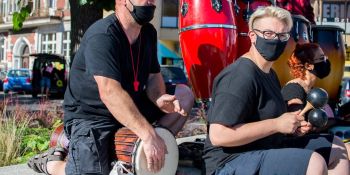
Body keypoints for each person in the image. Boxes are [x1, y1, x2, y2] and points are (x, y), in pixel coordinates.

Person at [27, 0, 194, 175]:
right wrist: (148, 134)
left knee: (184, 95)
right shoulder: (102, 35)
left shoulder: (149, 33)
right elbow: (110, 92)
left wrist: (159, 97)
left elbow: (153, 77)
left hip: (132, 104)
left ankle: (142, 154)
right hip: (92, 115)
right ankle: (51, 164)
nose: (151, 1)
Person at [203, 6, 349, 175]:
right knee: (313, 162)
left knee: (336, 147)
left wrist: (293, 128)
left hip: (265, 147)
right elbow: (219, 135)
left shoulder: (270, 74)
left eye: (282, 35)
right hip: (228, 162)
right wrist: (276, 124)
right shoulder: (239, 75)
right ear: (252, 36)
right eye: (268, 34)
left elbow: (272, 123)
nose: (275, 40)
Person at [281, 42, 350, 159]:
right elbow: (298, 124)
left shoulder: (309, 89)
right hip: (295, 147)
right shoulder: (293, 89)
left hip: (309, 140)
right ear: (308, 66)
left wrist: (336, 120)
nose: (326, 60)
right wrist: (332, 121)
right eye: (322, 58)